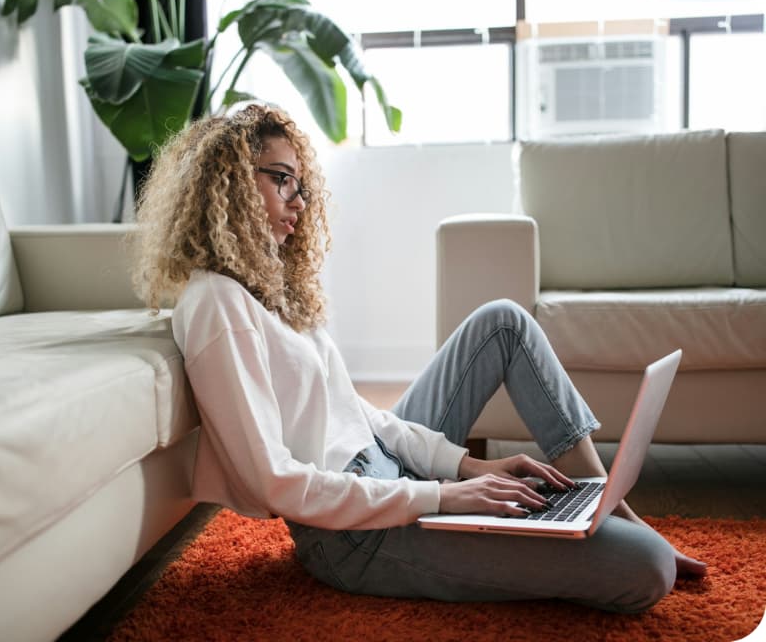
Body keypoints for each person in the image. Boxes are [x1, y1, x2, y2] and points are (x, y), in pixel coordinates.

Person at [132, 104, 706, 614]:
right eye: (282, 180)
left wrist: (465, 468)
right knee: (647, 567)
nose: (299, 203)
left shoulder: (267, 288)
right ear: (227, 182)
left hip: (387, 472)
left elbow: (358, 415)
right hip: (352, 535)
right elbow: (275, 482)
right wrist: (441, 496)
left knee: (502, 321)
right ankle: (613, 526)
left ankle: (605, 502)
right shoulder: (217, 303)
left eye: (301, 186)